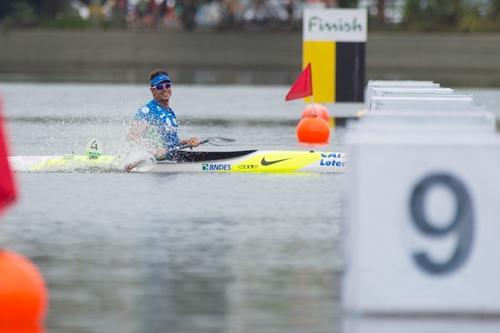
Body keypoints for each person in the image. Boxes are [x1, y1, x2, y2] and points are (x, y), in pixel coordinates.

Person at [127, 69, 200, 161]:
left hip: (172, 160)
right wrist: (153, 149)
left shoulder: (170, 112)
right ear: (152, 90)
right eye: (160, 86)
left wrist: (188, 142)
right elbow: (133, 137)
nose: (165, 89)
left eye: (168, 85)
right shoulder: (147, 111)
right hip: (155, 164)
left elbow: (171, 143)